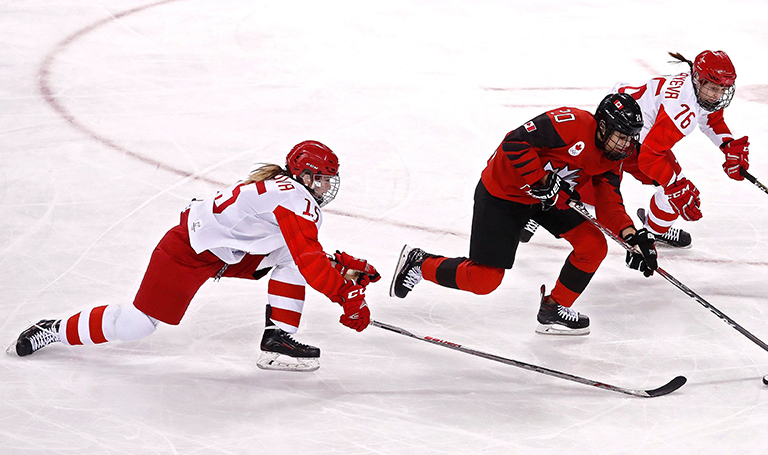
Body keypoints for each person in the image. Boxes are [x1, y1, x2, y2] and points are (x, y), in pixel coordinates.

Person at [7, 141, 380, 372]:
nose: (329, 186)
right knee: (138, 324)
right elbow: (310, 260)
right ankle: (52, 329)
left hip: (227, 253)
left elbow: (304, 255)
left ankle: (277, 340)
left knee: (290, 259)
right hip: (187, 252)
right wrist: (347, 297)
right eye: (325, 178)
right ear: (307, 175)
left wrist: (335, 270)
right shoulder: (294, 198)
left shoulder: (286, 191)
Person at [388, 94, 659, 336]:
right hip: (504, 193)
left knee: (593, 245)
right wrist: (541, 180)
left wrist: (631, 237)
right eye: (621, 136)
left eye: (630, 138)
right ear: (602, 126)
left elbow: (609, 201)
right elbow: (515, 143)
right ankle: (419, 263)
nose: (625, 145)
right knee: (484, 280)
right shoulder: (571, 123)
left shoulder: (613, 157)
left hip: (547, 198)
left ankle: (554, 309)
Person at [523, 51, 750, 252]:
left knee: (669, 185)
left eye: (723, 89)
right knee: (593, 183)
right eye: (713, 88)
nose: (717, 95)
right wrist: (673, 186)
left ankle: (652, 233)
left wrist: (728, 145)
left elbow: (710, 117)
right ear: (698, 79)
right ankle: (535, 208)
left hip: (636, 132)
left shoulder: (697, 89)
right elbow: (650, 157)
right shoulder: (681, 110)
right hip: (619, 131)